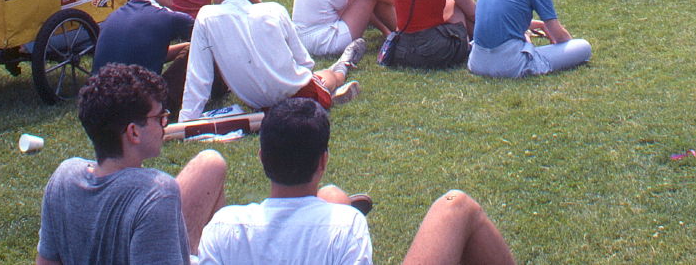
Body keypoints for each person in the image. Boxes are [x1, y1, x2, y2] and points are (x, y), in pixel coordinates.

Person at [196, 99, 516, 265]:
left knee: (333, 196)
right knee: (456, 205)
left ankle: (332, 198)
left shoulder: (224, 226)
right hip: (332, 228)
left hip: (310, 221)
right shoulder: (345, 227)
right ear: (323, 161)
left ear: (262, 157)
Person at [36, 63, 228, 265]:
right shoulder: (155, 193)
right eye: (159, 117)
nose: (165, 124)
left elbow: (46, 262)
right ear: (133, 132)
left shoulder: (64, 177)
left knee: (211, 164)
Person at [180, 0, 364, 120]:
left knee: (323, 77)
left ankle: (342, 67)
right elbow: (305, 63)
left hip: (258, 103)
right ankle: (341, 69)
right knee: (324, 76)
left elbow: (198, 75)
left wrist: (187, 119)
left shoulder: (206, 17)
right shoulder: (274, 10)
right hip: (295, 92)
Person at [93, 0, 195, 115]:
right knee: (204, 47)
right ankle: (219, 89)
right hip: (140, 106)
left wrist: (186, 47)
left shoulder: (112, 17)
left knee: (191, 48)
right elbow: (211, 37)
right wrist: (192, 48)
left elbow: (147, 52)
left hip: (99, 104)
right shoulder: (169, 17)